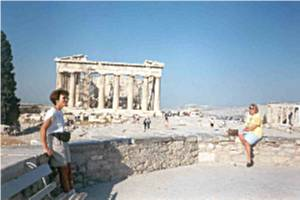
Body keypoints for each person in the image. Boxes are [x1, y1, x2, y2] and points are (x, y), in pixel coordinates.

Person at [40, 89, 87, 199]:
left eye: (67, 98)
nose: (66, 100)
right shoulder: (52, 112)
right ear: (56, 100)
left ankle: (72, 191)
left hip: (63, 142)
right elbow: (43, 129)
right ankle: (69, 194)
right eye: (64, 98)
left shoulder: (60, 112)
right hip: (56, 143)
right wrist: (45, 147)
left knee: (68, 168)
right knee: (63, 169)